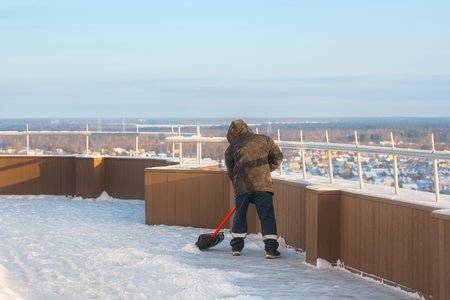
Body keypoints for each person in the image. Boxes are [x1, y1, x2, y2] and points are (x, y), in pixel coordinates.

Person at [224, 120, 284, 259]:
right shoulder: (264, 139)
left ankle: (236, 247)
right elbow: (278, 157)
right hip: (263, 185)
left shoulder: (232, 147)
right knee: (267, 216)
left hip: (242, 187)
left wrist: (237, 181)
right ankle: (270, 250)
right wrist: (265, 170)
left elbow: (230, 170)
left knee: (239, 216)